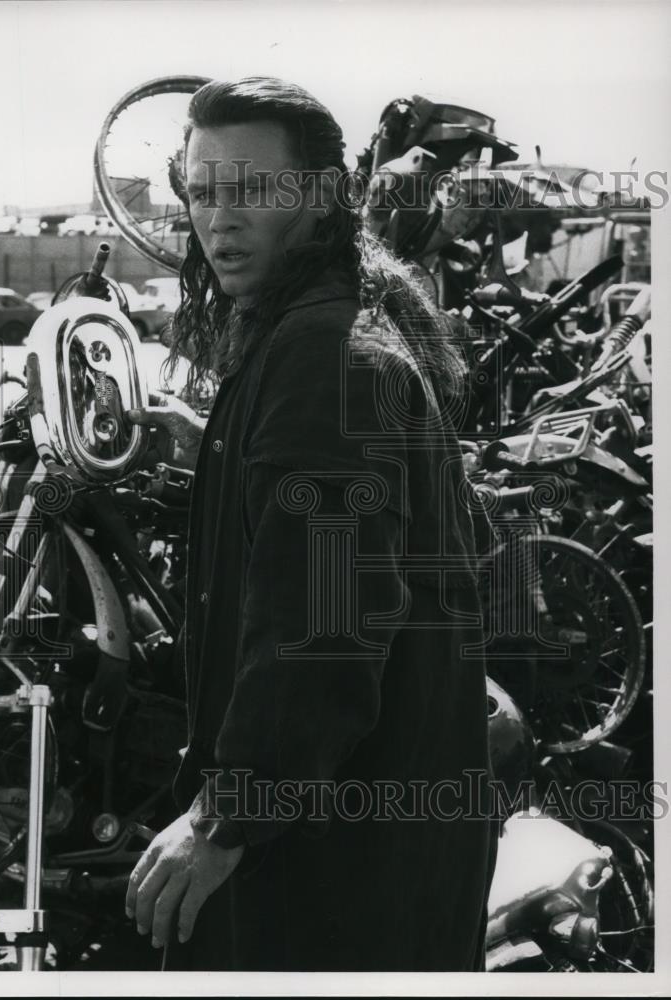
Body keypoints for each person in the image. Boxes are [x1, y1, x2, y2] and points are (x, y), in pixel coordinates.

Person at [125, 76, 497, 972]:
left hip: (331, 875)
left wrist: (222, 822)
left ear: (325, 195)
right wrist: (214, 452)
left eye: (254, 190)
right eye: (203, 192)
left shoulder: (324, 355)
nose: (220, 219)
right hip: (363, 841)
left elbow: (322, 633)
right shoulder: (329, 324)